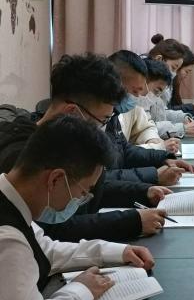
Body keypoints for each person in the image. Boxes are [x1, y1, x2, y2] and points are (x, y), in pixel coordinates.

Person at [0, 115, 156, 300]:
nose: (81, 200)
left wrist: (117, 252)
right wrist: (81, 290)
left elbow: (46, 250)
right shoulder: (7, 239)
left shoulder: (11, 201)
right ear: (55, 179)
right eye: (83, 192)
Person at [0, 53, 170, 242]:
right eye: (103, 120)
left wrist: (143, 192)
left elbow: (93, 189)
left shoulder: (64, 141)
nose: (103, 128)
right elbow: (51, 232)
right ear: (73, 113)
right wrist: (132, 222)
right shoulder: (23, 156)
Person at [109, 50, 178, 153]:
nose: (140, 95)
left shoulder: (131, 103)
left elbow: (145, 127)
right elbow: (118, 153)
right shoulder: (104, 109)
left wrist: (152, 139)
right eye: (136, 90)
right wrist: (158, 147)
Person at [139, 58, 194, 139]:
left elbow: (163, 112)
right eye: (173, 68)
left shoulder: (154, 95)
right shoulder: (138, 100)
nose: (175, 73)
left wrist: (183, 118)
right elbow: (146, 128)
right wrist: (181, 128)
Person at [169, 44, 194, 115]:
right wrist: (193, 108)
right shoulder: (166, 83)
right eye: (186, 71)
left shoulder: (175, 82)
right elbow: (166, 110)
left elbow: (175, 106)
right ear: (178, 66)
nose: (187, 75)